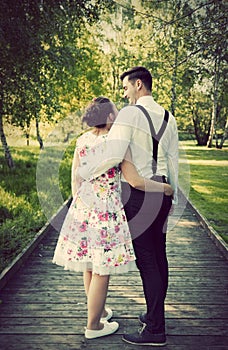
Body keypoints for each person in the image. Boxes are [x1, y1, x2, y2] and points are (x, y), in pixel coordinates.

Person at [52, 96, 173, 340]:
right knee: (101, 268)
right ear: (108, 117)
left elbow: (75, 178)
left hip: (82, 205)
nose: (118, 117)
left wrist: (81, 203)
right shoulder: (117, 142)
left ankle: (98, 311)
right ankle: (93, 325)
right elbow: (136, 181)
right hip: (105, 207)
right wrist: (165, 189)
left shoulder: (81, 140)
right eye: (116, 113)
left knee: (88, 262)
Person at [78, 67, 179, 346]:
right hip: (163, 191)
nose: (123, 93)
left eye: (125, 88)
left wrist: (86, 172)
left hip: (140, 193)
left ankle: (155, 331)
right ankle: (153, 316)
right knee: (160, 257)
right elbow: (174, 162)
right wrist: (174, 197)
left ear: (138, 85)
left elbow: (113, 155)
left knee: (147, 262)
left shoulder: (130, 114)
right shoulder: (169, 117)